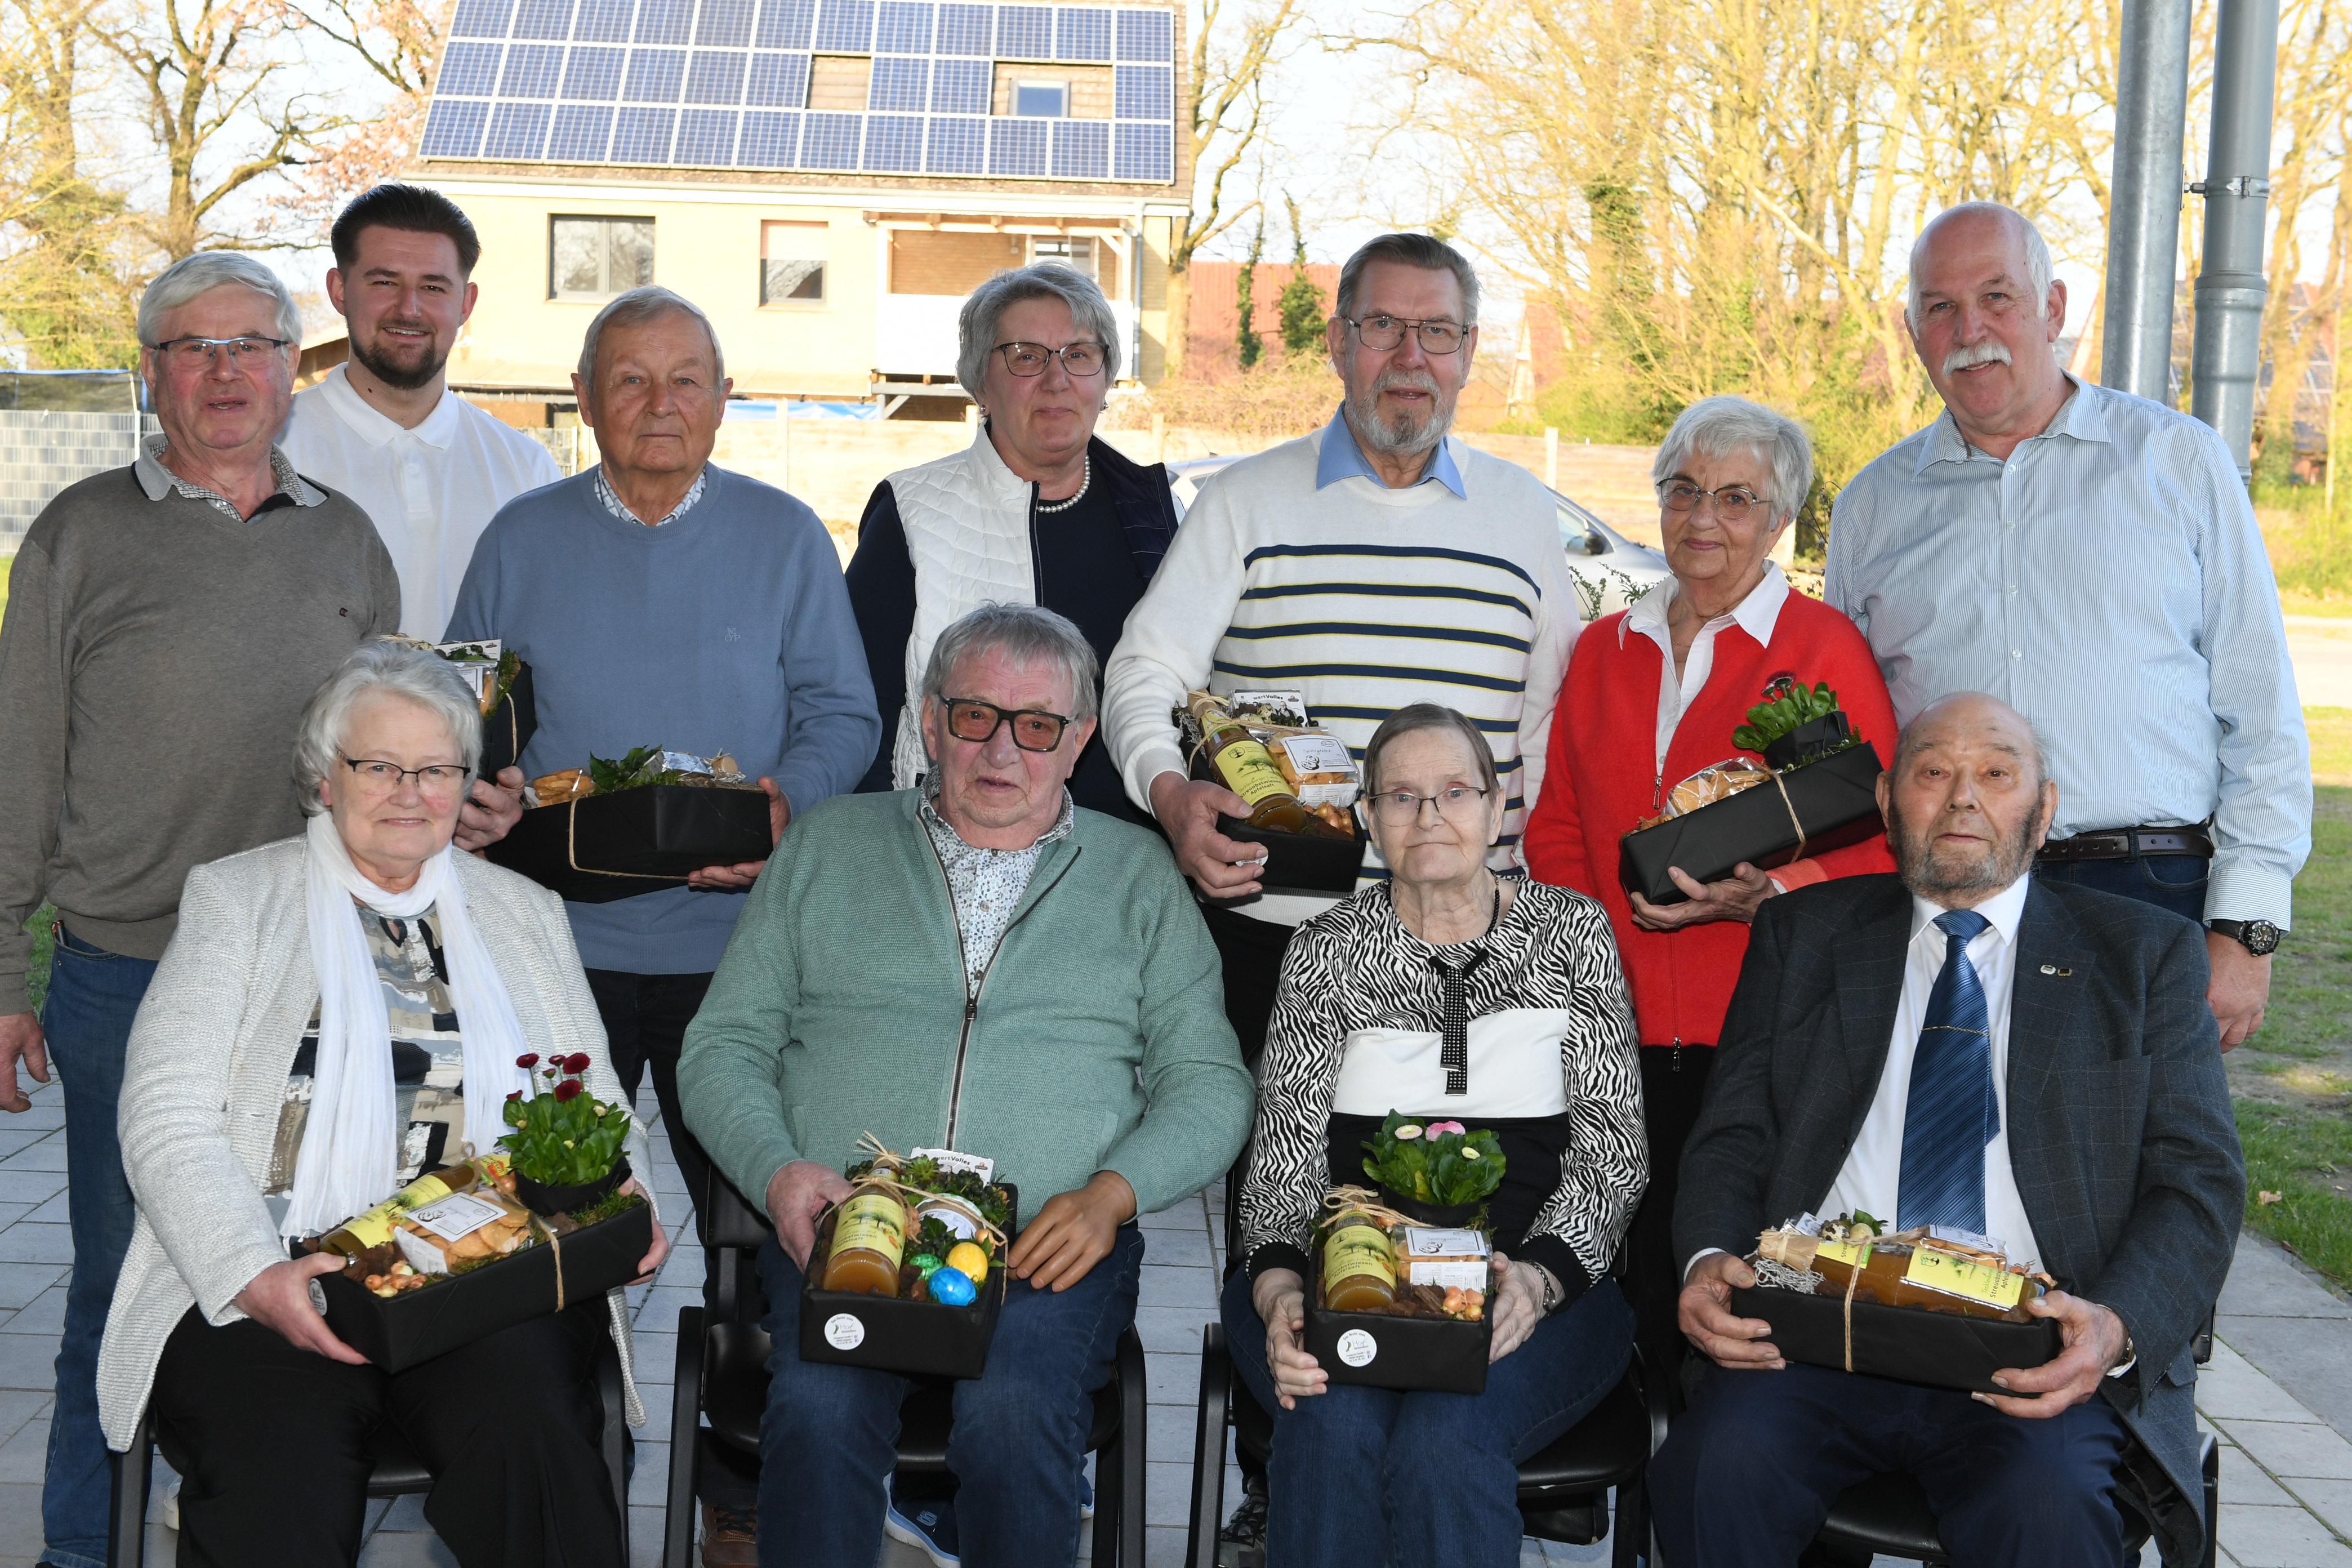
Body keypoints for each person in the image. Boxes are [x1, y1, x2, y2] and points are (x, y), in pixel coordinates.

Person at [0, 250, 441, 1568]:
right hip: (129, 974)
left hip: (321, 978)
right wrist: (5, 975)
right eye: (194, 346)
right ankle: (84, 1545)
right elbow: (18, 764)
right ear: (152, 371)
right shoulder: (80, 532)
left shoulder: (346, 537)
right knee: (120, 1283)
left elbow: (390, 749)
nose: (225, 370)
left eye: (253, 344)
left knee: (317, 1262)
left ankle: (270, 1514)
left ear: (290, 369)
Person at [678, 603, 1253, 1568]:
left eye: (1037, 726)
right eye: (976, 715)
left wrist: (1110, 1196)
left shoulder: (1138, 876)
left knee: (1014, 1414)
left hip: (1044, 1244)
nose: (1001, 751)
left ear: (1078, 740)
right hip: (849, 1221)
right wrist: (779, 1172)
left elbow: (1209, 1083)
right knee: (821, 1408)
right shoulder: (827, 846)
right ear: (931, 720)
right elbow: (722, 1046)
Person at [96, 640, 665, 1567]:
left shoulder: (523, 909)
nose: (411, 791)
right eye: (380, 766)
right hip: (280, 1274)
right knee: (277, 1479)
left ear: (467, 783)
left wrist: (624, 1198)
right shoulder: (238, 899)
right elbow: (166, 1118)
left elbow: (589, 1097)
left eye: (437, 769)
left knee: (537, 1436)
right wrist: (252, 1274)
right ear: (325, 777)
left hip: (485, 1276)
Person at [1654, 692, 2243, 1568]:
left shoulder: (2143, 955)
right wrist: (1708, 1261)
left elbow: (2196, 1181)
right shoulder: (1802, 934)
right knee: (1714, 1471)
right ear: (1888, 800)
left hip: (2031, 1346)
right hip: (1822, 1331)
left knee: (2046, 1510)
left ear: (2044, 808)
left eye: (1997, 773)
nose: (1963, 796)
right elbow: (1733, 1136)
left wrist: (2115, 1324)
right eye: (1933, 771)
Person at [444, 283, 878, 1235]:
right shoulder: (519, 538)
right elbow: (456, 716)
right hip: (555, 951)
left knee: (755, 1231)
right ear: (584, 397)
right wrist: (470, 794)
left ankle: (737, 1335)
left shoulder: (787, 536)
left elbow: (844, 711)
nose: (661, 403)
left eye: (686, 380)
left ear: (724, 396)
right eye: (630, 379)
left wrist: (789, 802)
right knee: (548, 1220)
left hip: (738, 954)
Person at [1828, 201, 2310, 1050]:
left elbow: (2260, 706)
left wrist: (2246, 928)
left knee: (2147, 1140)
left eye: (1998, 297)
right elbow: (1847, 737)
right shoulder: (1872, 508)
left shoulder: (2178, 461)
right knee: (1952, 1137)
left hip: (2150, 892)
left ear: (2053, 308)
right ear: (1912, 332)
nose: (1970, 331)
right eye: (1940, 307)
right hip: (1950, 898)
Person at [1103, 232, 1580, 1071]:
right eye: (1383, 326)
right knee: (1275, 1161)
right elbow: (1144, 672)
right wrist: (1170, 797)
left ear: (1469, 351)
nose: (1411, 356)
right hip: (1277, 941)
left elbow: (1546, 730)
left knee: (1462, 1162)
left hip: (1471, 947)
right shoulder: (1244, 501)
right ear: (1337, 342)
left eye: (1437, 332)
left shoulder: (1525, 513)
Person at [1522, 395, 1897, 1377]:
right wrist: (1594, 954)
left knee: (1734, 1274)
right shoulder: (1604, 647)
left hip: (1758, 1023)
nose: (1703, 517)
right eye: (1684, 490)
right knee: (1616, 1263)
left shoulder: (1821, 651)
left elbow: (1883, 844)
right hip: (1615, 1020)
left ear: (1780, 521)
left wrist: (1771, 894)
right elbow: (1557, 822)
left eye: (1736, 498)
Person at [1228, 703, 1643, 1567]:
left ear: (1496, 808)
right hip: (1349, 1280)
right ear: (1370, 817)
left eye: (1454, 792)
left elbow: (1612, 1153)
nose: (1428, 817)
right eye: (1402, 796)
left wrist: (1538, 1281)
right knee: (1332, 1425)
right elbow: (1282, 1167)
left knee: (1444, 1443)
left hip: (1535, 1282)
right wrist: (1280, 1295)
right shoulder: (1325, 951)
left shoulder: (1571, 935)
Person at [847, 263, 1179, 826]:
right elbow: (863, 713)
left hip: (1132, 853)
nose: (1057, 380)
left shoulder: (1160, 515)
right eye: (1026, 357)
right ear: (981, 382)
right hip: (955, 848)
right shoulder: (911, 513)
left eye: (1079, 355)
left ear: (1105, 380)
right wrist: (879, 850)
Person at [280, 183, 563, 642]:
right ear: (339, 290)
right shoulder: (270, 457)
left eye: (433, 287)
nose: (408, 309)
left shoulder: (526, 472)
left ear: (466, 303)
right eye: (384, 282)